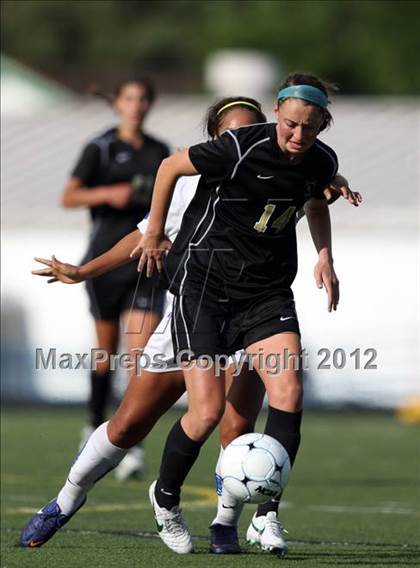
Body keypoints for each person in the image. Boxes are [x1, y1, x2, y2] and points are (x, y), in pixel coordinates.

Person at [22, 94, 361, 554]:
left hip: (256, 304)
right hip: (196, 303)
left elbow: (314, 190)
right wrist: (85, 271)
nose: (240, 139)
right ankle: (66, 500)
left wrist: (328, 223)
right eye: (229, 134)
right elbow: (146, 234)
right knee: (129, 426)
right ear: (217, 140)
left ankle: (231, 522)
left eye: (247, 130)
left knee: (238, 422)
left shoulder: (292, 158)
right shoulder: (193, 180)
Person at [136, 71, 350, 555]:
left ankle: (266, 516)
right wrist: (152, 232)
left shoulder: (320, 160)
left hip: (266, 291)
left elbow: (316, 201)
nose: (298, 137)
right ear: (277, 111)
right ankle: (165, 497)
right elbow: (170, 167)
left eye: (310, 128)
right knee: (208, 411)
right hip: (205, 286)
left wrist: (324, 256)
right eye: (291, 124)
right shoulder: (238, 147)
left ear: (322, 126)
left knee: (290, 391)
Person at [62, 78, 169, 478]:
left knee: (138, 358)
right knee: (105, 354)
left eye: (143, 99)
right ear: (118, 104)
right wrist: (108, 194)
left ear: (149, 105)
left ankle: (132, 444)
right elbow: (69, 196)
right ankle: (93, 426)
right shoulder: (101, 147)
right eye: (129, 99)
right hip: (105, 261)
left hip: (144, 264)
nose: (136, 106)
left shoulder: (160, 152)